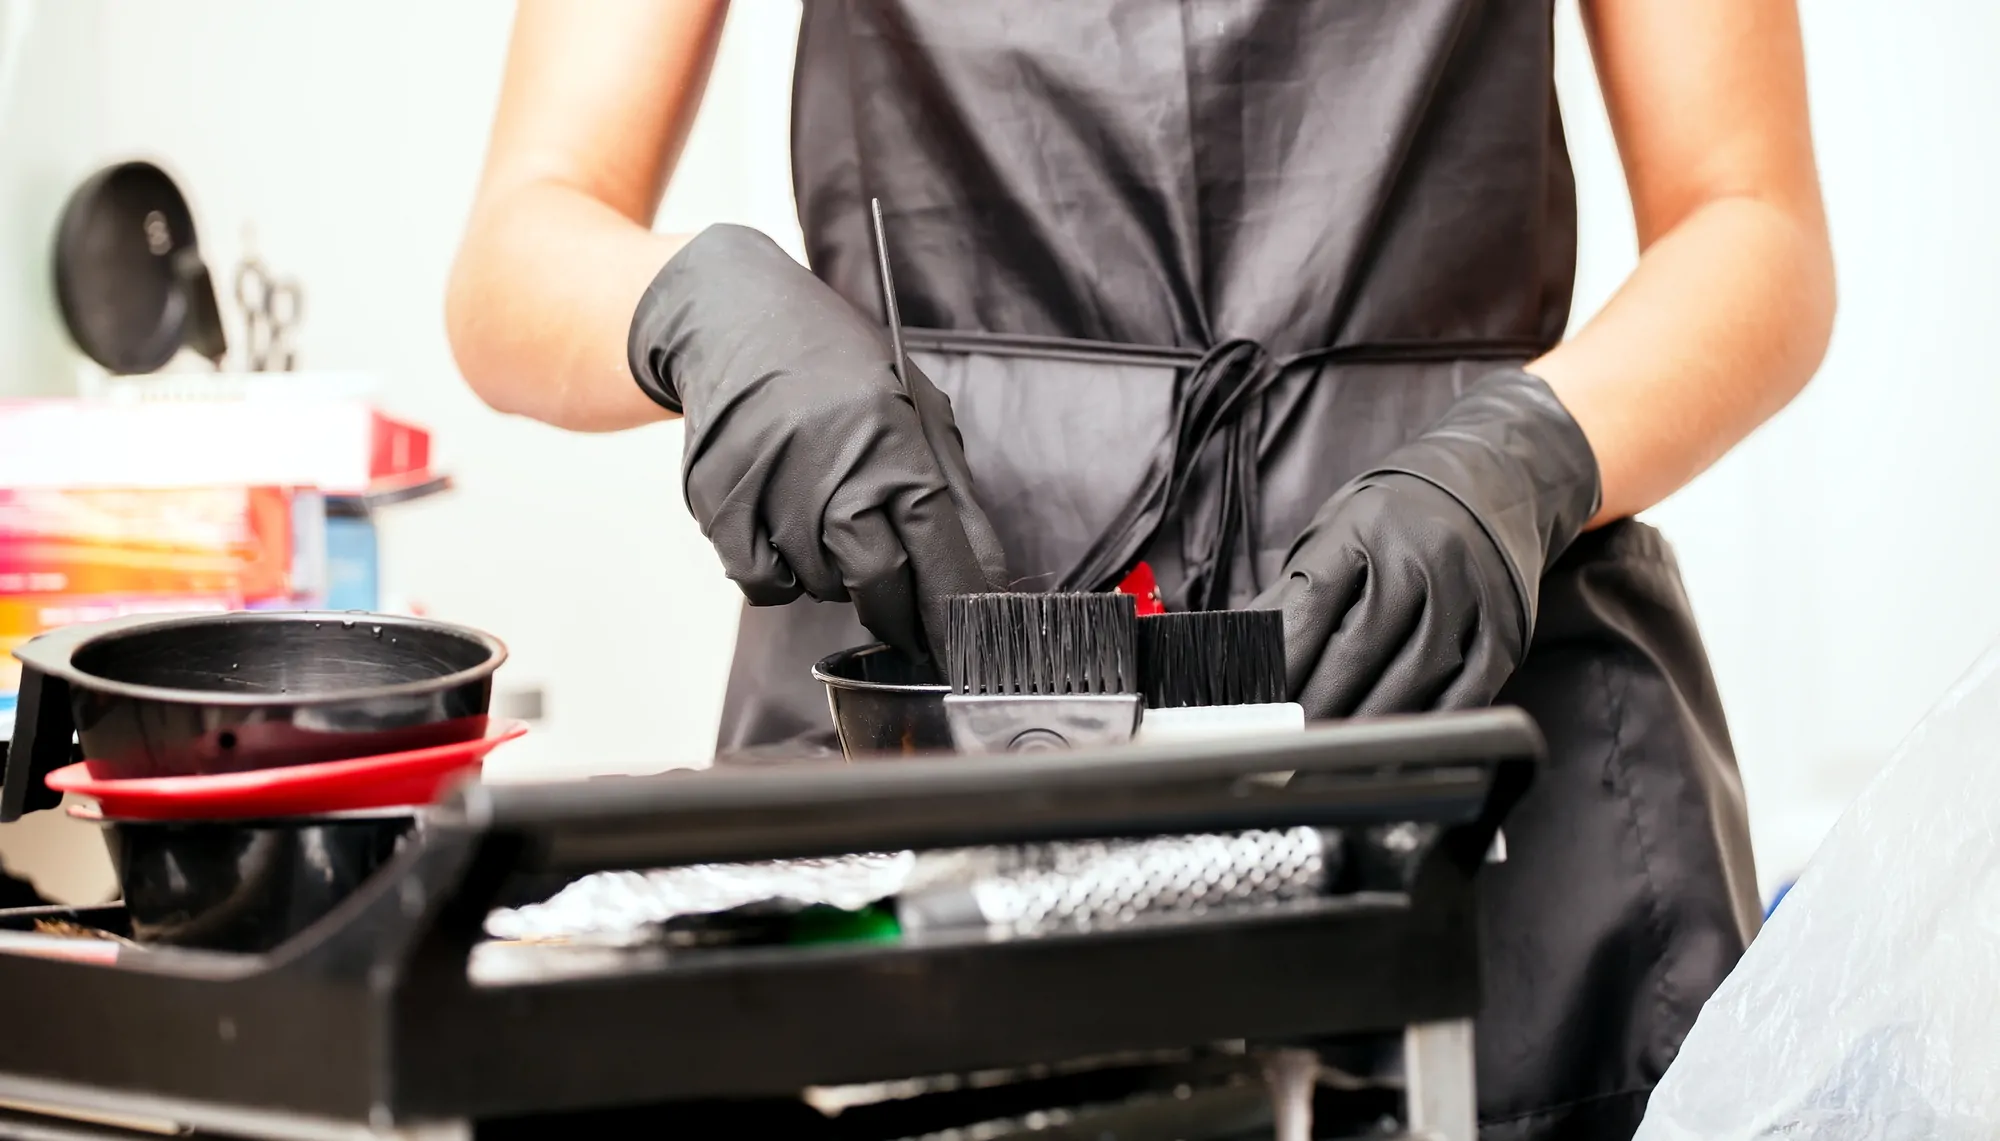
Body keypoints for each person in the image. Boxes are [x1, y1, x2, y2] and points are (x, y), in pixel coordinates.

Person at [446, 2, 1834, 1137]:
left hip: (1471, 709)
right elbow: (521, 247)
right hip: (929, 695)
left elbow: (1751, 222)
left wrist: (1530, 455)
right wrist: (692, 303)